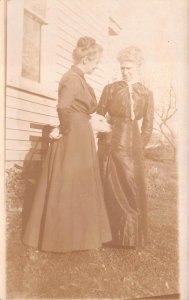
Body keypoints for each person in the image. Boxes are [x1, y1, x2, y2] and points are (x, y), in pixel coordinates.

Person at [22, 36, 112, 253]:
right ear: (85, 60)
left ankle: (80, 236)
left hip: (80, 133)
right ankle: (61, 237)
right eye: (95, 62)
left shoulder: (80, 79)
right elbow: (63, 108)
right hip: (73, 135)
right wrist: (63, 130)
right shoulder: (71, 78)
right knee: (68, 183)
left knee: (79, 184)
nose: (96, 66)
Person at [97, 46, 154, 248]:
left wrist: (139, 146)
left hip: (133, 143)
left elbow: (148, 124)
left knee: (131, 185)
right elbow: (98, 115)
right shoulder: (110, 89)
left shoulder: (146, 93)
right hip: (111, 141)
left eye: (129, 68)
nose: (125, 71)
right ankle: (108, 236)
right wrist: (105, 136)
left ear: (138, 67)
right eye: (122, 68)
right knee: (110, 183)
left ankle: (131, 237)